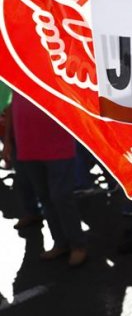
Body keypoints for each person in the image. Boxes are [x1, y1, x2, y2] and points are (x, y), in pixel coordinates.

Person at [3, 93, 87, 266]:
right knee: (45, 198)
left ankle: (78, 245)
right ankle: (61, 243)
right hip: (28, 145)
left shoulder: (54, 69)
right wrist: (8, 141)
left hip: (58, 145)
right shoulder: (18, 73)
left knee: (61, 197)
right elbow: (10, 107)